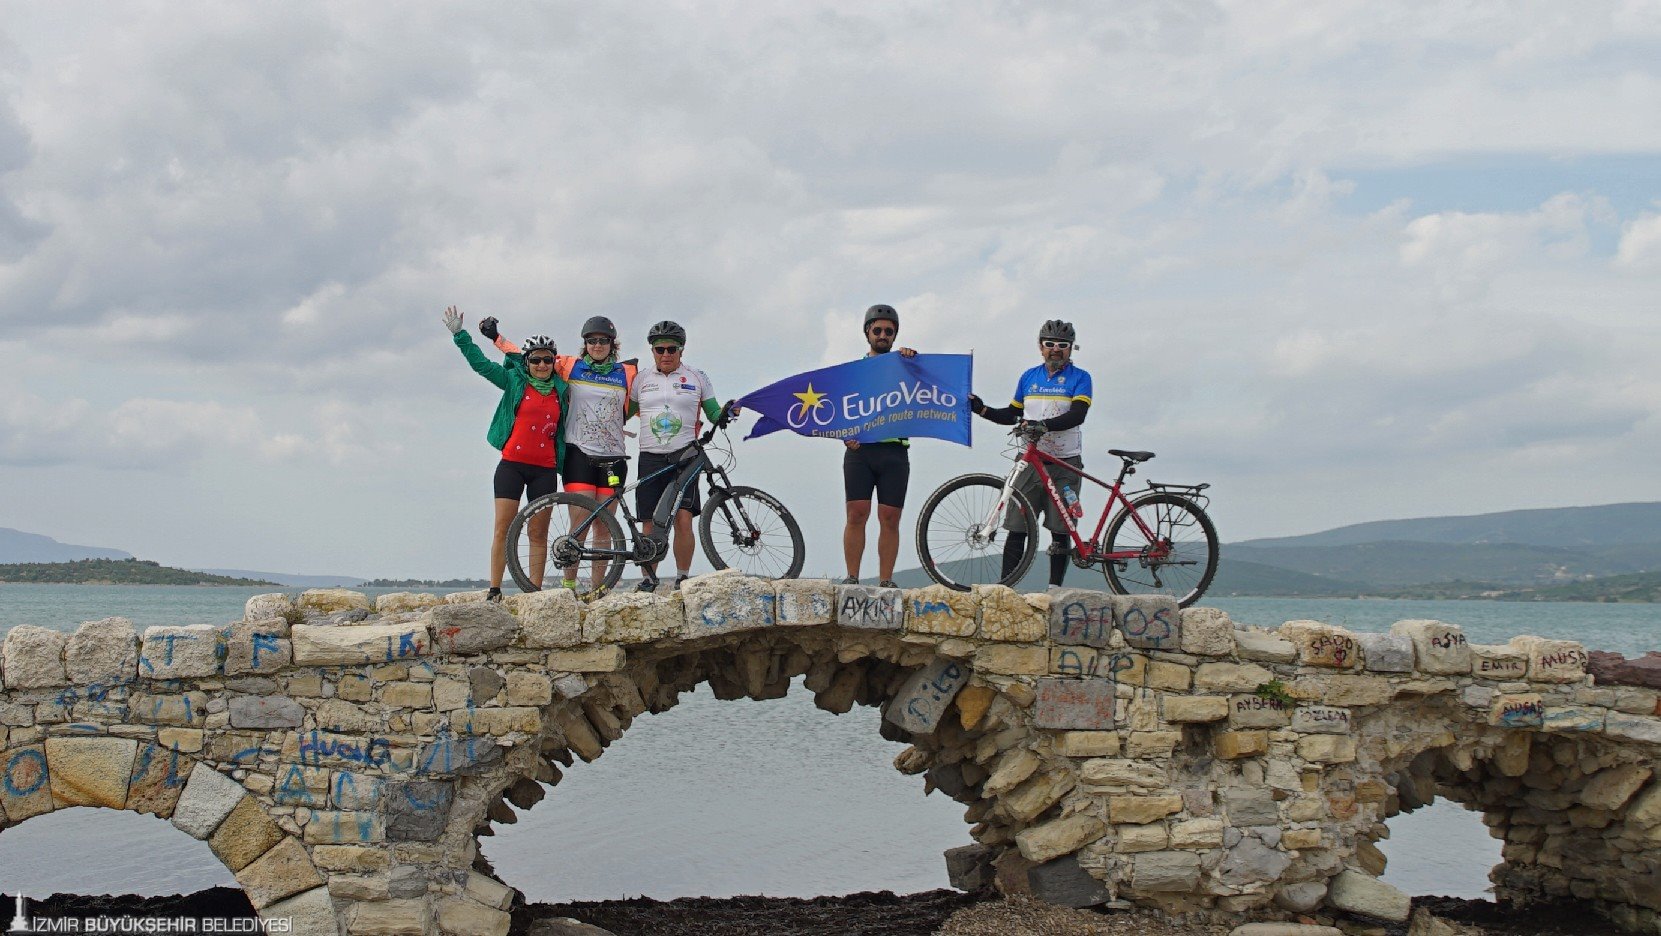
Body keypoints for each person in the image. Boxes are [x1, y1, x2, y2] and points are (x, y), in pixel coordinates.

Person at [489, 316, 637, 593]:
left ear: (612, 344)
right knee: (579, 523)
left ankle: (598, 590)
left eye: (602, 340)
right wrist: (497, 339)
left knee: (604, 528)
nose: (597, 345)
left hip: (614, 457)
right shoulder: (569, 366)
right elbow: (529, 359)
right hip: (578, 453)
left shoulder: (627, 373)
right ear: (584, 344)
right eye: (591, 340)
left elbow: (649, 401)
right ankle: (569, 585)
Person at [442, 305, 568, 601]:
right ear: (527, 362)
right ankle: (495, 589)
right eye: (535, 359)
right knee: (503, 529)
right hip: (512, 465)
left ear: (554, 362)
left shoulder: (562, 390)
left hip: (545, 470)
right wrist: (461, 335)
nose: (541, 364)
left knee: (538, 533)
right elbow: (482, 366)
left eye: (547, 359)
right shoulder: (514, 381)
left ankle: (535, 592)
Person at [969, 319, 1092, 587]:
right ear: (1040, 347)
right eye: (1050, 344)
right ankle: (1005, 588)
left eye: (1063, 345)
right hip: (1029, 462)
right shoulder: (1029, 377)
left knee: (1061, 529)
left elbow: (1077, 414)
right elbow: (1013, 414)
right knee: (1016, 526)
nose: (1056, 350)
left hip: (1065, 463)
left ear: (1072, 348)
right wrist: (982, 409)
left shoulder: (1081, 378)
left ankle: (1054, 590)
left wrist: (1044, 425)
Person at [629, 320, 727, 591]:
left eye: (672, 349)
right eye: (659, 349)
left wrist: (728, 412)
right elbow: (623, 414)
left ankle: (683, 576)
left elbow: (713, 412)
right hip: (650, 455)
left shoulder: (697, 377)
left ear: (681, 350)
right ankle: (649, 578)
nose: (666, 354)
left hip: (685, 456)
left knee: (683, 518)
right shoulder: (642, 379)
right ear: (652, 351)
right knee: (650, 522)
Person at [842, 304, 918, 588]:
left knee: (890, 518)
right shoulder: (855, 370)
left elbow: (929, 385)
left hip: (895, 451)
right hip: (860, 451)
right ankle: (852, 578)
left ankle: (886, 581)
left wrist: (912, 360)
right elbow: (840, 408)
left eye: (889, 331)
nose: (883, 335)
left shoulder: (906, 367)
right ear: (867, 333)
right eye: (878, 330)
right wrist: (844, 435)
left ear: (895, 335)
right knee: (856, 514)